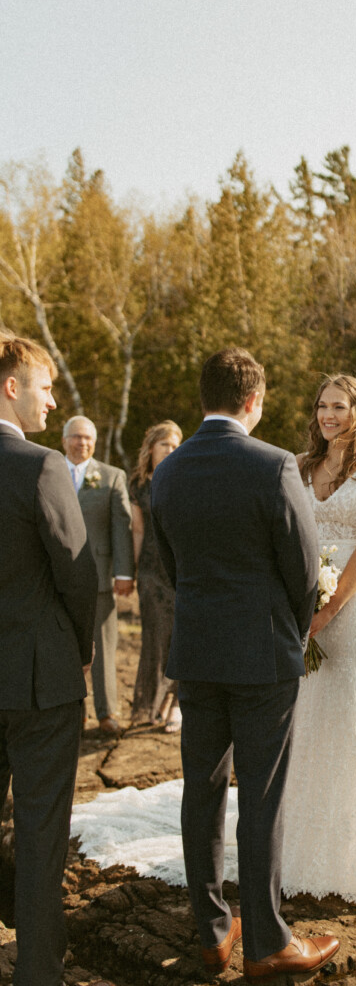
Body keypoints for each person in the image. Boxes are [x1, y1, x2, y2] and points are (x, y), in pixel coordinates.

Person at [150, 347, 339, 981]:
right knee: (261, 795)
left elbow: (170, 568)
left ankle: (210, 933)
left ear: (203, 396)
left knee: (200, 790)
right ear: (254, 401)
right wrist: (285, 625)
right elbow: (305, 569)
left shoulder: (169, 470)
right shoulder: (275, 464)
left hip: (197, 653)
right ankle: (265, 940)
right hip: (262, 655)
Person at [0, 333, 104, 986]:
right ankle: (38, 972)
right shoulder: (38, 467)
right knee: (40, 833)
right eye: (43, 385)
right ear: (11, 387)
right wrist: (81, 651)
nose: (52, 398)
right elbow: (78, 574)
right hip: (40, 682)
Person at [281, 374, 356, 902]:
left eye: (339, 406)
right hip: (301, 599)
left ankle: (355, 854)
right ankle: (295, 847)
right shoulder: (300, 465)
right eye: (322, 406)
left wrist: (329, 610)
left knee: (354, 716)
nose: (328, 414)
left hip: (352, 607)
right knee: (304, 717)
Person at [62, 415, 135, 734]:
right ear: (64, 440)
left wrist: (123, 572)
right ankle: (72, 710)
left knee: (104, 645)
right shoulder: (48, 470)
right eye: (76, 437)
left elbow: (122, 526)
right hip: (59, 577)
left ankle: (107, 712)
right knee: (62, 646)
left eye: (88, 437)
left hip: (101, 575)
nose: (82, 443)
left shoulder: (111, 476)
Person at [128, 420, 183, 732]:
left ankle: (176, 705)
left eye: (176, 445)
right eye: (166, 444)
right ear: (151, 447)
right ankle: (152, 701)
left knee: (179, 637)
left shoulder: (185, 478)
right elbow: (137, 530)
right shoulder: (138, 484)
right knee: (154, 639)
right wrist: (134, 572)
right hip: (150, 569)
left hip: (179, 568)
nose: (171, 450)